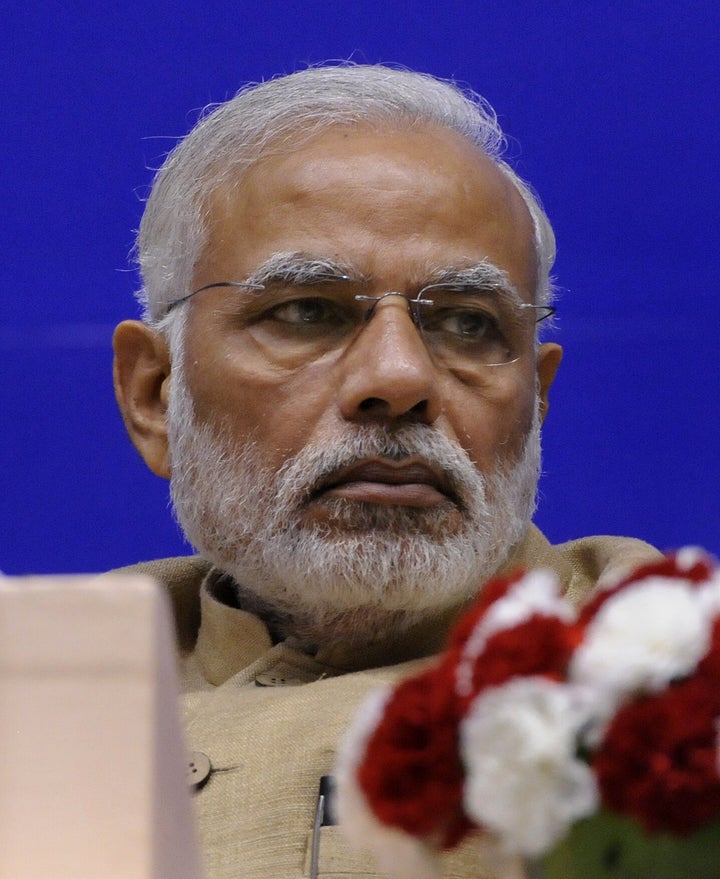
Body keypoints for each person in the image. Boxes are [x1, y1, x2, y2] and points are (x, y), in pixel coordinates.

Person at [112, 64, 660, 879]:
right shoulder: (39, 690)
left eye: (470, 324)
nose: (400, 378)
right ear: (157, 397)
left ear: (535, 402)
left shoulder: (673, 696)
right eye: (307, 311)